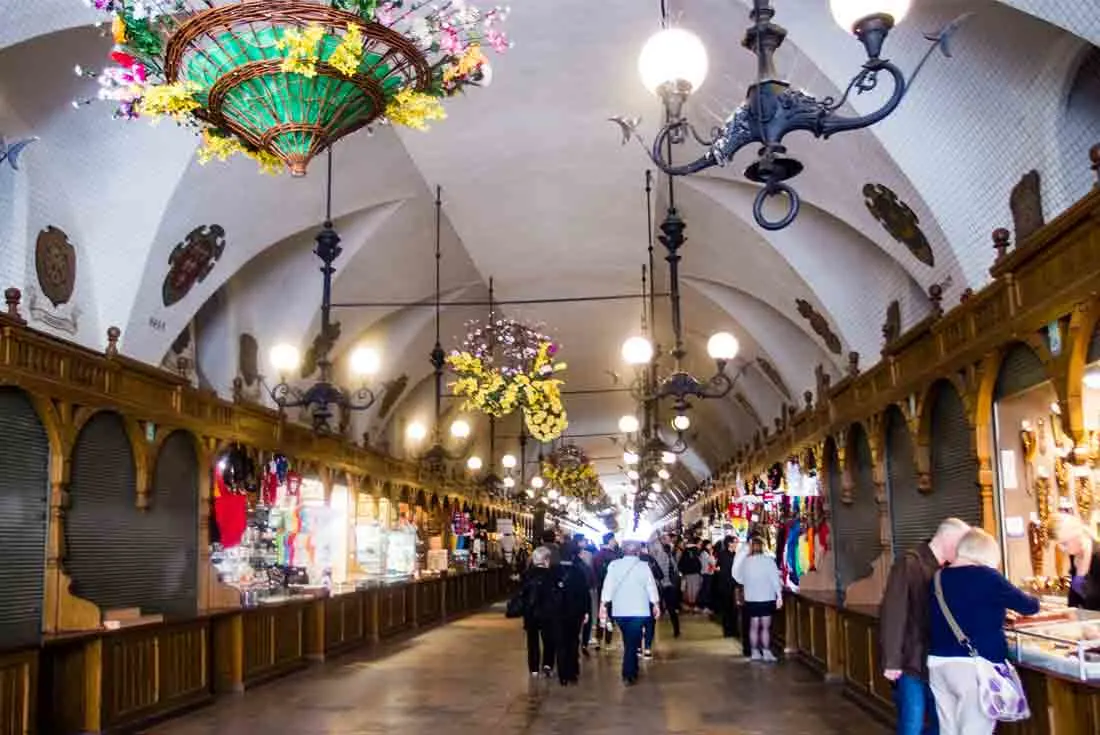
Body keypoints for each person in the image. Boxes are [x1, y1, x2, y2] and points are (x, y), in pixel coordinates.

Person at [927, 529, 1040, 735]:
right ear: (985, 554)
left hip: (938, 664)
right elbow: (1029, 606)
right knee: (975, 730)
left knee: (948, 730)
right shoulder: (988, 576)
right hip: (973, 666)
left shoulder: (937, 577)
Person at [880, 517, 971, 735]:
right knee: (913, 723)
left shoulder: (946, 570)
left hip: (937, 662)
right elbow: (893, 612)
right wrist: (891, 660)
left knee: (940, 723)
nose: (962, 552)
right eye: (960, 545)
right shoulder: (909, 563)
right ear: (949, 540)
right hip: (911, 661)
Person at [600, 539, 661, 685]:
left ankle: (632, 669)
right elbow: (651, 587)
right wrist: (655, 604)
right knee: (632, 641)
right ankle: (628, 673)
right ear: (638, 551)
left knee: (630, 640)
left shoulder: (614, 565)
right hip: (639, 610)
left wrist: (603, 605)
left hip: (620, 610)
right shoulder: (644, 567)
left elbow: (607, 586)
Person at [738, 536, 783, 662]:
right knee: (765, 627)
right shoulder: (769, 561)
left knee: (754, 625)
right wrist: (779, 596)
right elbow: (775, 580)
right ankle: (766, 651)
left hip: (751, 598)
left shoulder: (746, 562)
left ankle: (754, 652)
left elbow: (741, 579)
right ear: (762, 547)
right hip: (766, 597)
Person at [554, 540, 593, 685]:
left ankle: (562, 675)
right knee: (573, 641)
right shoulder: (579, 572)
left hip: (558, 613)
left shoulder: (554, 571)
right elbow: (584, 594)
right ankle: (573, 672)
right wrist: (586, 611)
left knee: (561, 643)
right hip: (575, 613)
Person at [520, 546, 557, 677]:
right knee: (549, 640)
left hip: (531, 613)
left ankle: (534, 668)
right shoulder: (552, 575)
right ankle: (547, 664)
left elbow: (522, 595)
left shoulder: (526, 575)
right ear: (546, 560)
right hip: (548, 613)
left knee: (532, 641)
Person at [1053, 513, 1100, 610]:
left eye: (1064, 543)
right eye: (1059, 545)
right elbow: (1074, 598)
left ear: (1076, 536)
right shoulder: (1074, 557)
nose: (1062, 549)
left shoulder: (1097, 556)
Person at [649, 533, 682, 637]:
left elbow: (674, 568)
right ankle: (652, 632)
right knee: (657, 608)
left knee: (671, 608)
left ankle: (676, 630)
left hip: (669, 584)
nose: (670, 541)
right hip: (661, 584)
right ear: (662, 541)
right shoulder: (660, 552)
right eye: (667, 539)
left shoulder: (669, 553)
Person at [592, 533, 621, 649]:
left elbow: (596, 573)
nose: (615, 541)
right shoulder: (613, 555)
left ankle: (599, 639)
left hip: (601, 588)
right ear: (609, 540)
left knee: (602, 614)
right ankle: (608, 640)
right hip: (612, 588)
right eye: (613, 539)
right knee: (611, 614)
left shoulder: (597, 555)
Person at [573, 534, 599, 656]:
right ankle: (584, 640)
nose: (585, 542)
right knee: (587, 614)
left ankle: (581, 640)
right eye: (583, 540)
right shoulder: (587, 555)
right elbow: (591, 571)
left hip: (578, 589)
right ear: (579, 542)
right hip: (586, 589)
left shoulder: (573, 555)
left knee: (580, 615)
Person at [731, 534, 752, 656]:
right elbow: (736, 573)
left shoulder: (742, 553)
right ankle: (748, 647)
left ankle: (748, 647)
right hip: (746, 590)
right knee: (747, 620)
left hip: (745, 589)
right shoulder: (743, 554)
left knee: (747, 620)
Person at [714, 536, 737, 637]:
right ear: (729, 544)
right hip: (725, 585)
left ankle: (733, 630)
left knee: (733, 609)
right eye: (735, 542)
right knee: (727, 609)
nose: (736, 544)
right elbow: (719, 568)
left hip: (733, 585)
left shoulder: (735, 555)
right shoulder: (723, 555)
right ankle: (727, 631)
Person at [679, 538, 703, 612]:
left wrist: (683, 572)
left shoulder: (685, 552)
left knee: (688, 590)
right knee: (695, 590)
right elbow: (699, 564)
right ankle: (693, 606)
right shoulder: (695, 552)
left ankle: (689, 606)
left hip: (687, 574)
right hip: (695, 574)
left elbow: (680, 564)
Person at [699, 539, 716, 614]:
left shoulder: (703, 553)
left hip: (706, 573)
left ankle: (703, 606)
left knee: (705, 590)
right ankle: (704, 607)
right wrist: (711, 554)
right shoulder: (705, 554)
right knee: (706, 590)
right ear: (706, 546)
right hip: (707, 574)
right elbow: (712, 562)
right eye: (709, 545)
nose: (711, 546)